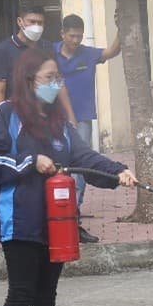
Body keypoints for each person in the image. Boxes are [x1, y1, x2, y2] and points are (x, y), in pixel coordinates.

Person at [0, 49, 137, 306]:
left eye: (57, 79)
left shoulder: (59, 125)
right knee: (20, 294)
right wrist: (31, 161)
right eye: (49, 78)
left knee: (46, 295)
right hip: (19, 220)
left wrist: (117, 171)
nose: (55, 85)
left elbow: (83, 157)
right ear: (28, 80)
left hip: (56, 222)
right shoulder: (4, 114)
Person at [53, 13, 122, 244]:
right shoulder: (49, 52)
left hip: (81, 120)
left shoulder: (88, 53)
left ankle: (74, 210)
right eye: (72, 36)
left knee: (79, 167)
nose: (75, 40)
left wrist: (121, 28)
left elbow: (111, 52)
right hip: (53, 119)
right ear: (62, 34)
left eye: (79, 36)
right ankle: (56, 208)